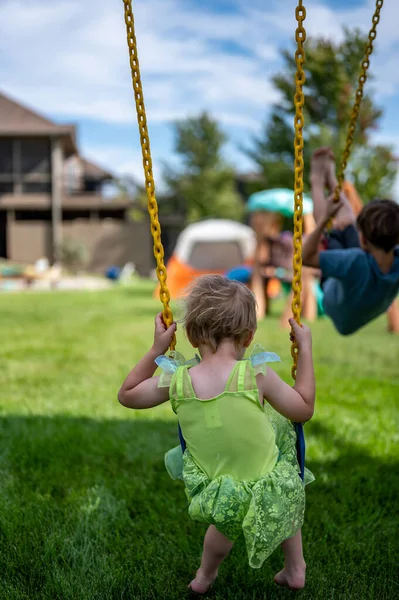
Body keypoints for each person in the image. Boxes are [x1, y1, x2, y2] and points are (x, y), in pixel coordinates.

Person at [118, 275, 315, 595]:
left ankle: (205, 576)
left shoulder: (177, 380)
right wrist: (304, 350)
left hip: (217, 483)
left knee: (222, 529)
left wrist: (156, 348)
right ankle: (295, 569)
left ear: (192, 336)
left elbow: (127, 395)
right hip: (265, 473)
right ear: (249, 336)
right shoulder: (257, 374)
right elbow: (303, 409)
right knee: (286, 492)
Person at [303, 148, 399, 335]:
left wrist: (323, 221)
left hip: (335, 298)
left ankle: (317, 181)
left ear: (362, 238)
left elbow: (306, 258)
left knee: (337, 227)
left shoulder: (352, 260)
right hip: (360, 302)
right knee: (347, 224)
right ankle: (331, 180)